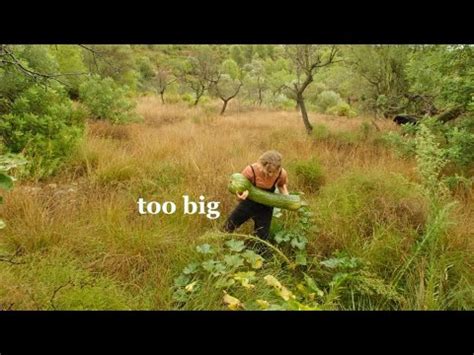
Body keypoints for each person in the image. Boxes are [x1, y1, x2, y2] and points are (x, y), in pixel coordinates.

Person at [223, 150, 289, 241]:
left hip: (266, 206)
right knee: (229, 225)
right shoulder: (250, 170)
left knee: (262, 237)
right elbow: (240, 189)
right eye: (268, 171)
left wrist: (286, 196)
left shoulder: (282, 174)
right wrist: (240, 196)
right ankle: (220, 241)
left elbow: (281, 185)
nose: (271, 174)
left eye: (274, 172)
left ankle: (257, 251)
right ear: (261, 165)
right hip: (249, 203)